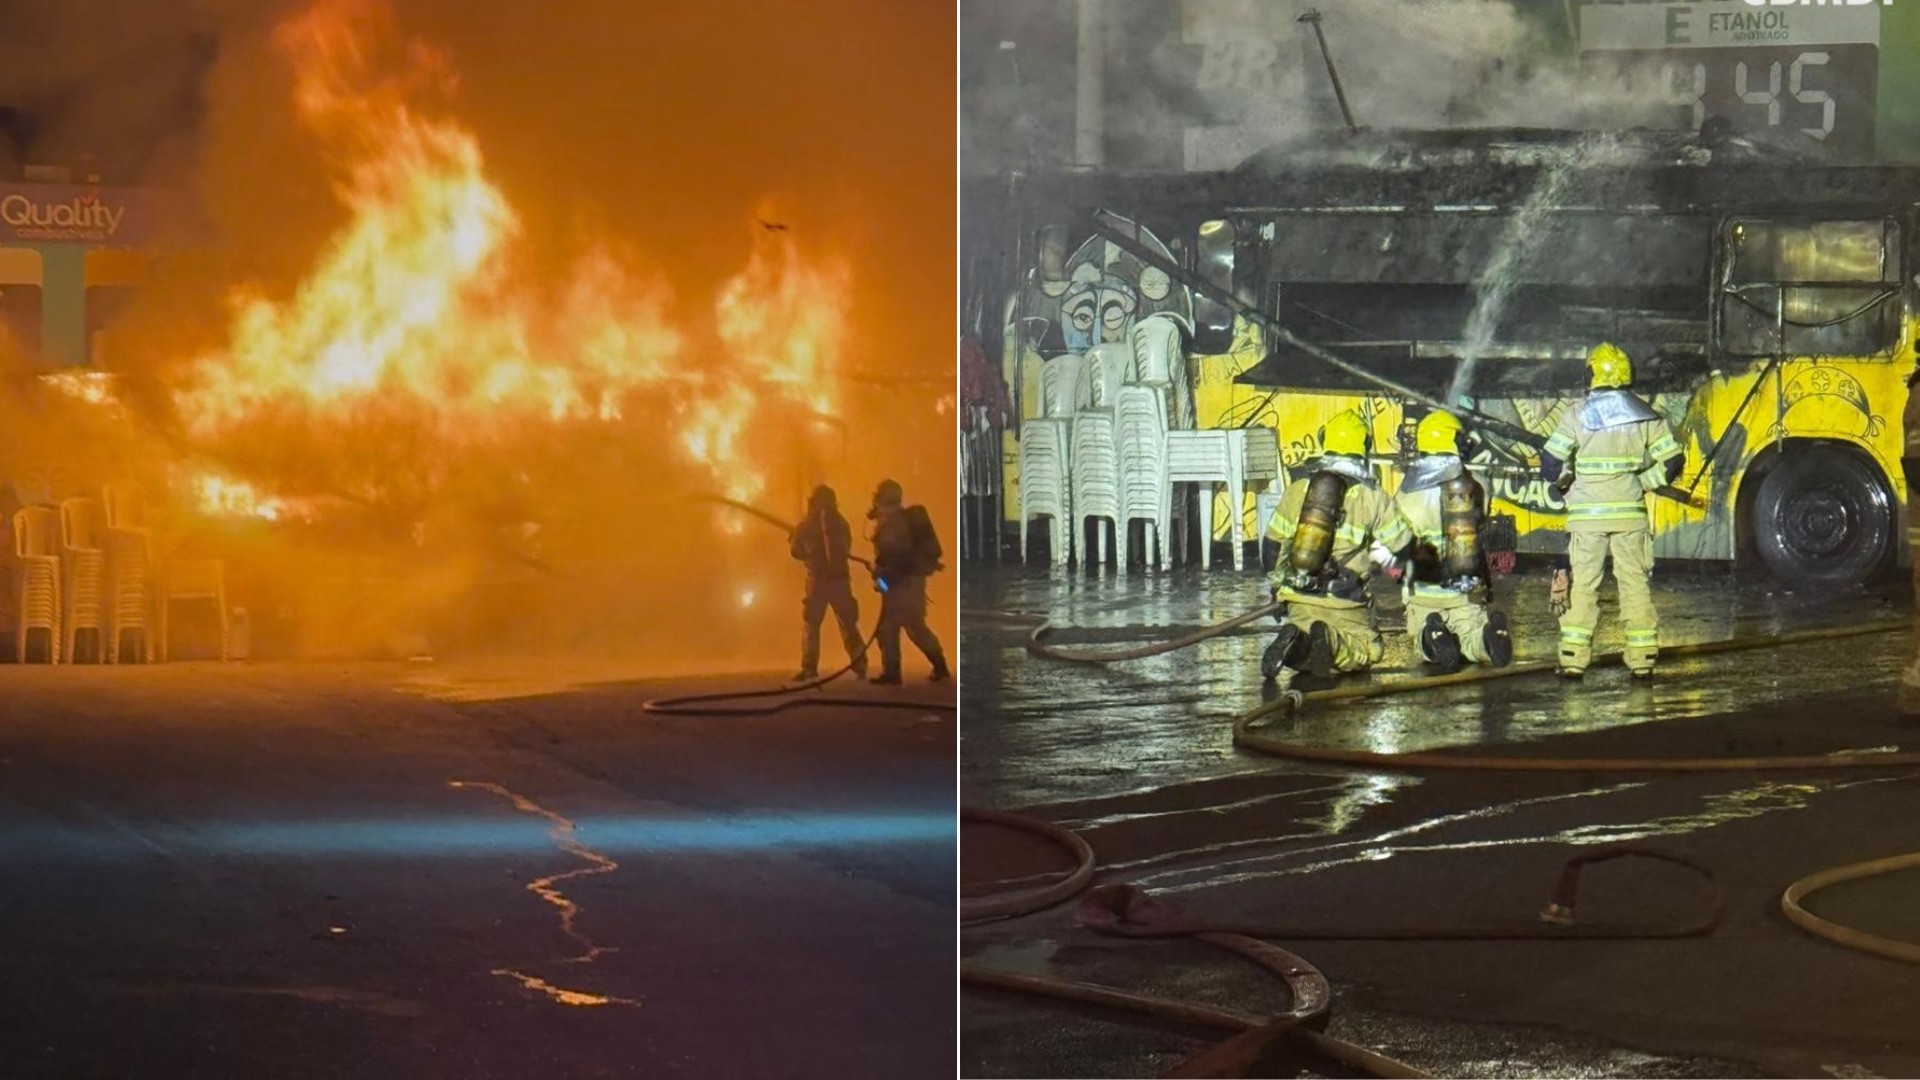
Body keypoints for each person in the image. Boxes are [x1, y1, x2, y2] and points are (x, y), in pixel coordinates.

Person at [1539, 342, 1684, 679]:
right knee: (1634, 584)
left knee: (1584, 586)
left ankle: (1574, 658)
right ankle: (1643, 657)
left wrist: (1566, 482)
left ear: (1593, 373)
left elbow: (1549, 464)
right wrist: (1643, 483)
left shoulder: (1576, 413)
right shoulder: (1646, 414)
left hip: (1587, 517)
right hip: (1630, 515)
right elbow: (1674, 461)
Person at [1261, 409, 1415, 687]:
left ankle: (1297, 638)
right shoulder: (1373, 496)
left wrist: (1277, 589)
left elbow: (1272, 547)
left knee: (1303, 653)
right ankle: (1331, 639)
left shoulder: (1298, 490)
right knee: (1370, 651)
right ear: (1363, 448)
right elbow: (1403, 549)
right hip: (1346, 604)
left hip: (1299, 600)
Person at [1394, 410, 1513, 674]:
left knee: (1420, 639)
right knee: (1470, 636)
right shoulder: (1478, 484)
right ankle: (1486, 640)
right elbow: (1481, 521)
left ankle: (1432, 635)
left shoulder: (1407, 492)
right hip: (1466, 590)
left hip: (1425, 592)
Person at [868, 479, 950, 684]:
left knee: (908, 627)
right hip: (906, 581)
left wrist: (882, 577)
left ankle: (901, 672)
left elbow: (899, 560)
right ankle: (899, 671)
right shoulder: (896, 520)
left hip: (902, 583)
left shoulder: (893, 523)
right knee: (898, 627)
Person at [790, 485, 867, 683]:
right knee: (848, 624)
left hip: (817, 581)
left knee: (811, 624)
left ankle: (809, 668)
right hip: (841, 581)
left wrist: (800, 542)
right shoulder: (841, 523)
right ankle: (860, 664)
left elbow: (796, 552)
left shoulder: (806, 525)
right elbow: (846, 547)